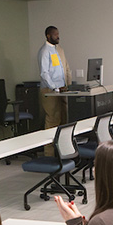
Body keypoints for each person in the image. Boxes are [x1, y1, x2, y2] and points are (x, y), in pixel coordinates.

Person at [37, 26, 71, 155]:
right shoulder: (45, 51)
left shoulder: (58, 50)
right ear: (48, 36)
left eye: (58, 33)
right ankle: (49, 153)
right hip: (49, 91)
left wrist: (68, 85)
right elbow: (44, 73)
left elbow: (65, 68)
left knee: (63, 119)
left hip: (61, 90)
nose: (58, 36)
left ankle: (62, 150)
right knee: (52, 120)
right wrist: (55, 88)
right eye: (55, 34)